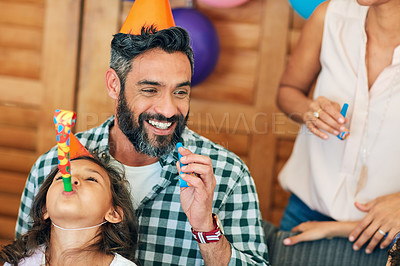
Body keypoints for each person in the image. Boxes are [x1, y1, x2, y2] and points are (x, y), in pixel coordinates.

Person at [15, 0, 269, 265]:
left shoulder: (227, 172)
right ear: (114, 85)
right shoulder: (53, 168)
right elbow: (23, 256)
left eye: (180, 92)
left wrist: (206, 228)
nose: (169, 110)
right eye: (150, 90)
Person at [276, 0, 400, 254]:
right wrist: (309, 110)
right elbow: (287, 92)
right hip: (304, 212)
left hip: (385, 233)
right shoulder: (330, 16)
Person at [1, 156, 138, 265]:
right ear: (45, 209)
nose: (71, 179)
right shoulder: (18, 263)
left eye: (91, 179)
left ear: (113, 213)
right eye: (61, 177)